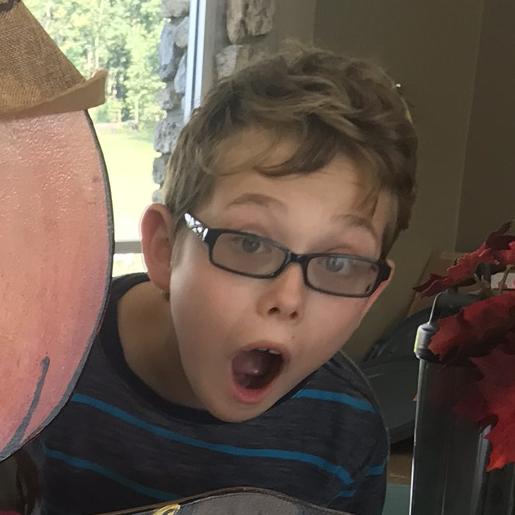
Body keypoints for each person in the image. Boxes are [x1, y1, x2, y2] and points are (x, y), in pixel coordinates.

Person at [24, 46, 417, 515]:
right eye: (249, 243)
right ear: (166, 249)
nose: (288, 298)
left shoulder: (348, 432)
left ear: (370, 296)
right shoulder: (50, 359)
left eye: (337, 264)